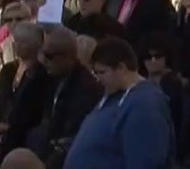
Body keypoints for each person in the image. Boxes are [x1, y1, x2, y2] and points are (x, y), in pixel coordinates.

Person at [63, 37, 173, 169]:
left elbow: (145, 161)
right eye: (95, 73)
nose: (98, 79)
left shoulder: (145, 105)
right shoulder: (113, 96)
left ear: (121, 68)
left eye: (102, 72)